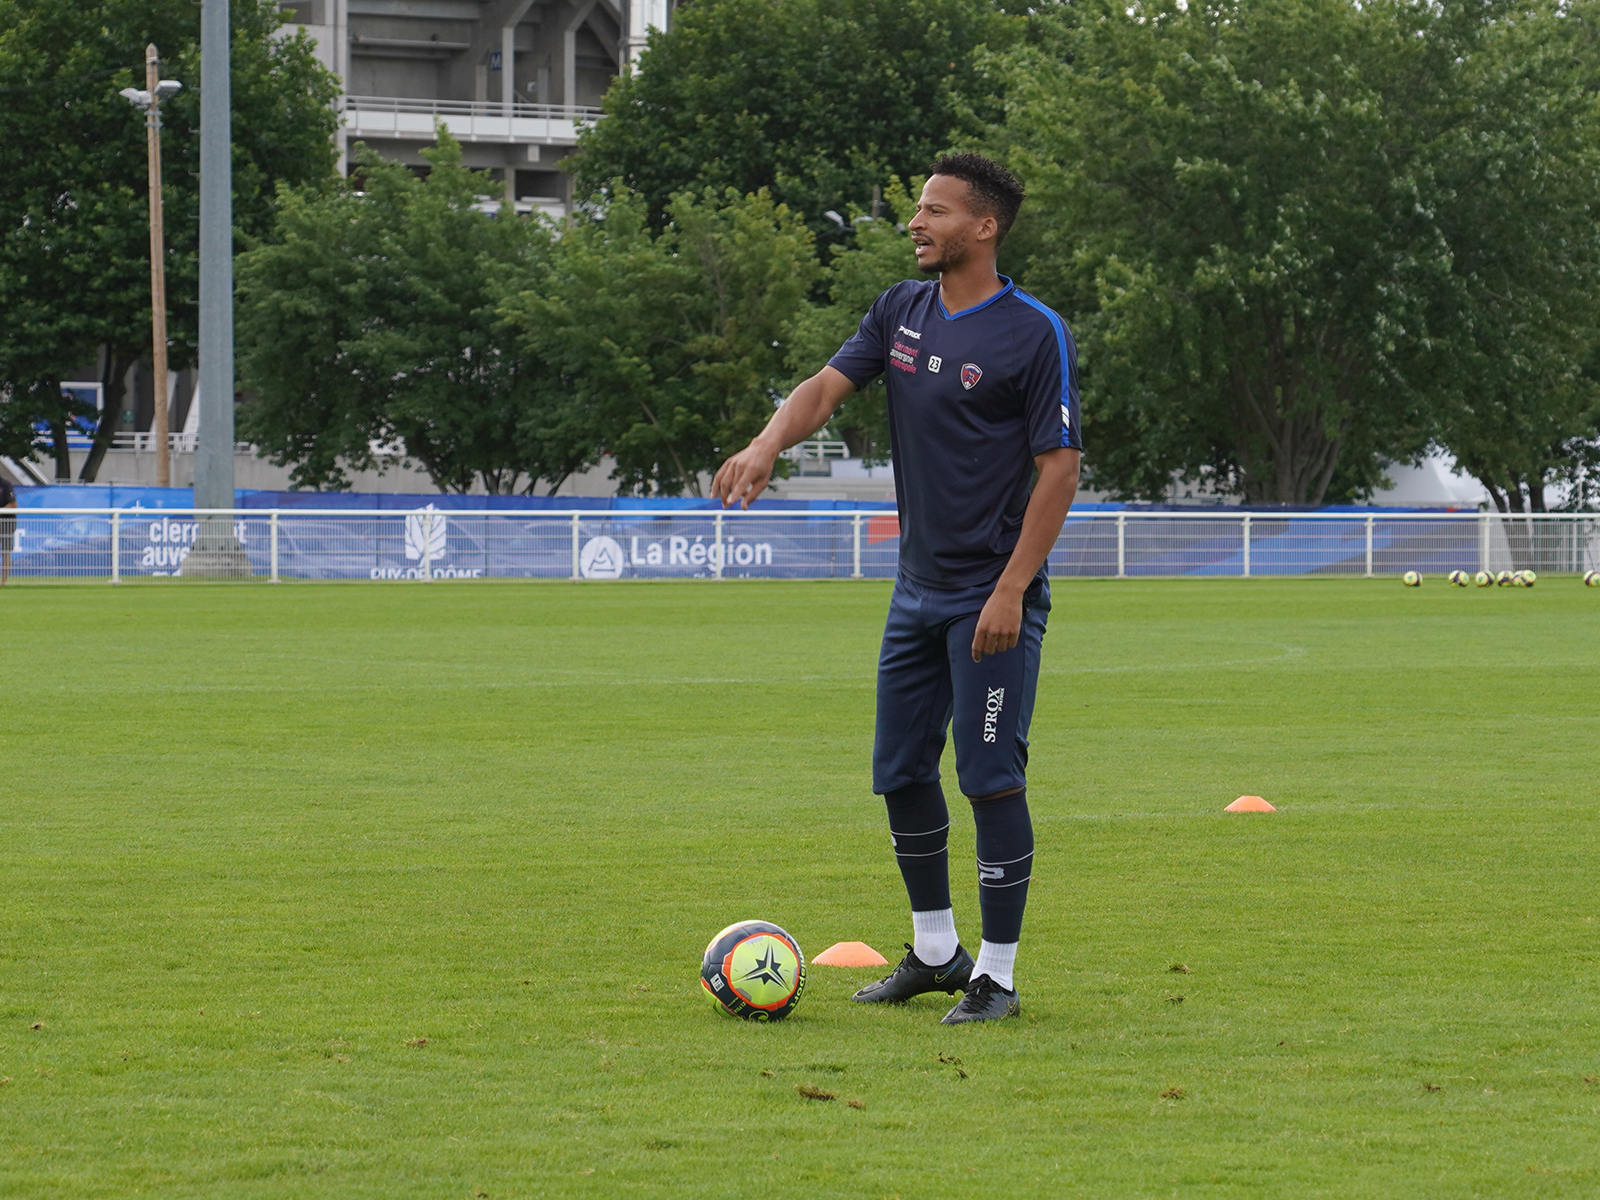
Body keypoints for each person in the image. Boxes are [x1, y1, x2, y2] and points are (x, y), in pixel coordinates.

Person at [712, 153, 1082, 1023]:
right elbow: (824, 388)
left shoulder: (1034, 331)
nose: (917, 222)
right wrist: (769, 443)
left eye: (935, 210)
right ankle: (935, 952)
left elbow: (1059, 470)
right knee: (901, 771)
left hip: (989, 600)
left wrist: (1011, 589)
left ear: (982, 227)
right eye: (918, 209)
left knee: (989, 777)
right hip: (915, 593)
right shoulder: (900, 310)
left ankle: (997, 975)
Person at [0, 474, 16, 586]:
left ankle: (3, 581)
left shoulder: (5, 484)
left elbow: (13, 504)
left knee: (6, 552)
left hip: (6, 522)